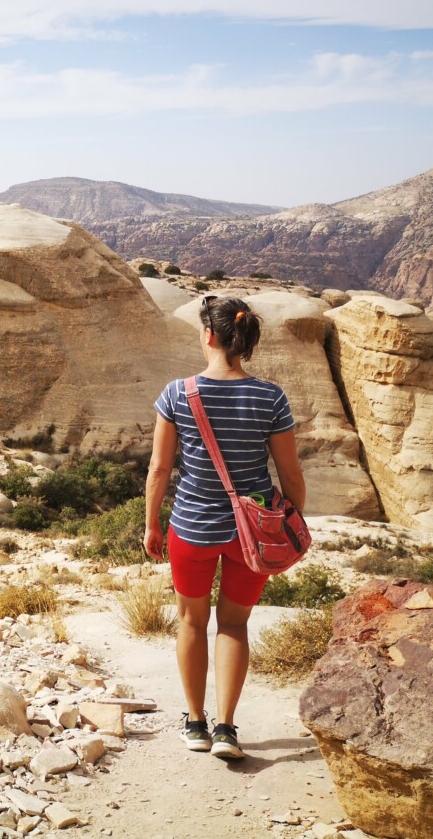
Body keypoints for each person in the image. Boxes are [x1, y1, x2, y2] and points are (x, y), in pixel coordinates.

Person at [142, 295, 305, 760]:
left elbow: (158, 469)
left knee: (191, 621)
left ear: (209, 336)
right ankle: (227, 730)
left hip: (191, 526)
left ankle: (194, 724)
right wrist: (288, 522)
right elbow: (290, 474)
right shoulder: (271, 397)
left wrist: (151, 523)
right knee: (233, 624)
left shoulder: (177, 393)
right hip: (253, 532)